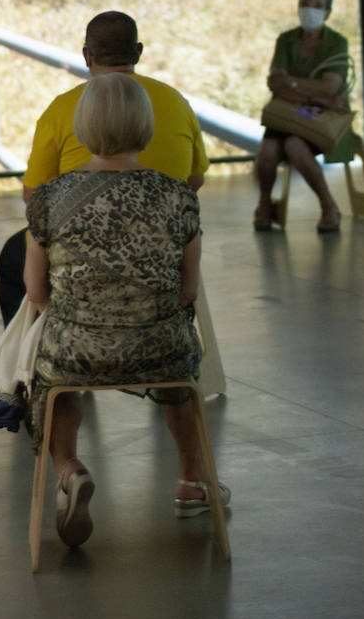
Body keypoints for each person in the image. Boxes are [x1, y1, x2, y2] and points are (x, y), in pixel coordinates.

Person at [24, 72, 229, 548]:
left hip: (76, 351)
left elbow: (36, 291)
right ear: (147, 126)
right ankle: (193, 482)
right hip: (160, 351)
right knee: (179, 364)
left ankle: (69, 470)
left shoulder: (50, 200)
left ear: (81, 128)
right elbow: (187, 291)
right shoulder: (177, 196)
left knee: (54, 374)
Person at [0, 11, 208, 326]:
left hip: (71, 343)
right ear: (138, 51)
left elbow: (34, 195)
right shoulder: (175, 101)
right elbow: (194, 179)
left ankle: (25, 360)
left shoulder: (61, 108)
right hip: (162, 247)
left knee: (17, 254)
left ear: (86, 55)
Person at [253, 0, 350, 234]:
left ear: (327, 12)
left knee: (294, 146)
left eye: (317, 5)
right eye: (304, 3)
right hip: (288, 116)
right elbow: (275, 83)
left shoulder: (336, 42)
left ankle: (328, 205)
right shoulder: (286, 40)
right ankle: (264, 203)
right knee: (268, 151)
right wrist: (311, 91)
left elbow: (330, 88)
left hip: (320, 119)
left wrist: (293, 84)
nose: (309, 9)